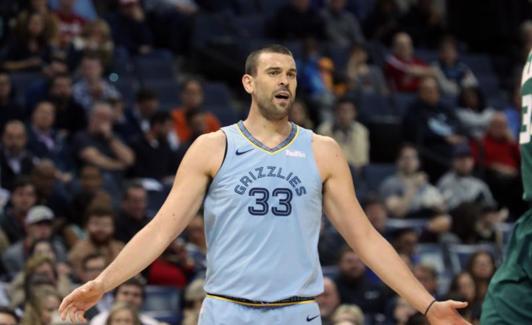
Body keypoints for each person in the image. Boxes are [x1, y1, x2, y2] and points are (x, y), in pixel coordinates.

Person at [59, 45, 469, 325]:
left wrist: (427, 306)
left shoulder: (322, 150)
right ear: (249, 83)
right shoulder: (213, 146)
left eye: (290, 74)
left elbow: (364, 238)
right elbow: (161, 230)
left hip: (296, 311)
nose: (284, 81)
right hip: (227, 310)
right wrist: (103, 284)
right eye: (273, 73)